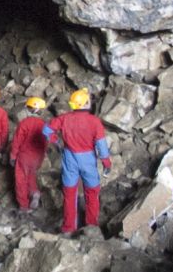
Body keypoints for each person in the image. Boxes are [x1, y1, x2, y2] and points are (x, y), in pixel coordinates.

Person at [44, 88, 112, 234]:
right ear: (85, 104)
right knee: (92, 192)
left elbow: (46, 130)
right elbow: (101, 145)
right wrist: (106, 163)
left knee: (69, 193)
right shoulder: (94, 122)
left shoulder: (64, 118)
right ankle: (91, 226)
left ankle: (69, 227)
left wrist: (55, 141)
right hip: (87, 159)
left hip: (70, 157)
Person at [10, 96, 50, 210]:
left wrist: (13, 156)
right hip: (37, 157)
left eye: (28, 107)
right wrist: (41, 159)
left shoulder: (25, 123)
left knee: (20, 179)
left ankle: (23, 205)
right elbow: (45, 144)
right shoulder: (45, 125)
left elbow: (17, 141)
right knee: (31, 175)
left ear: (33, 109)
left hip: (24, 156)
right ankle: (34, 192)